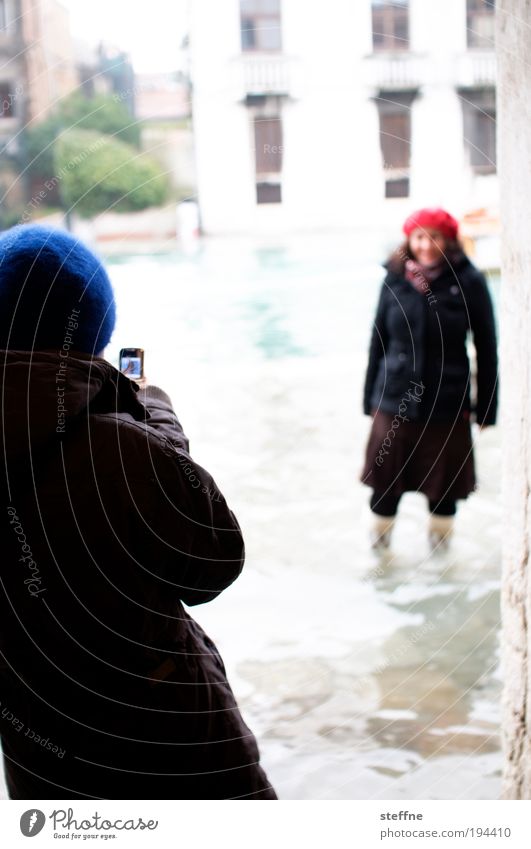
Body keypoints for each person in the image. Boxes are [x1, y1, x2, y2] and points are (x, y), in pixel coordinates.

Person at [0, 224, 276, 800]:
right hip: (171, 739)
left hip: (42, 758)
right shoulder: (119, 446)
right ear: (94, 329)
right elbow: (213, 561)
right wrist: (156, 420)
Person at [361, 207, 498, 551]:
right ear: (409, 239)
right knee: (383, 491)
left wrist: (487, 409)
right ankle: (381, 558)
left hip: (448, 406)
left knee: (445, 493)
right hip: (393, 402)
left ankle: (440, 561)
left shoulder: (469, 280)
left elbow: (486, 344)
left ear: (449, 239)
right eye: (419, 236)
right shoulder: (393, 278)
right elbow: (378, 340)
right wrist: (368, 399)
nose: (426, 245)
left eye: (434, 236)